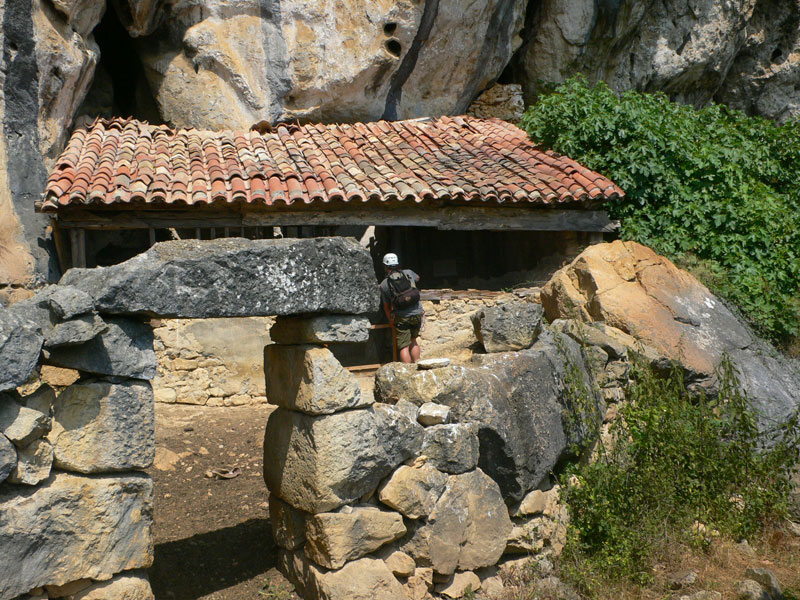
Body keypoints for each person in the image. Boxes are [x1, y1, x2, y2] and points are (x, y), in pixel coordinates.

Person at [379, 252, 423, 363]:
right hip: (417, 312)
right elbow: (418, 278)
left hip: (402, 317)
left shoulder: (384, 284)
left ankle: (407, 371)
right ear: (397, 264)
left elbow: (386, 306)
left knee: (404, 346)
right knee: (414, 340)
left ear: (385, 266)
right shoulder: (408, 273)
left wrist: (390, 321)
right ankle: (417, 364)